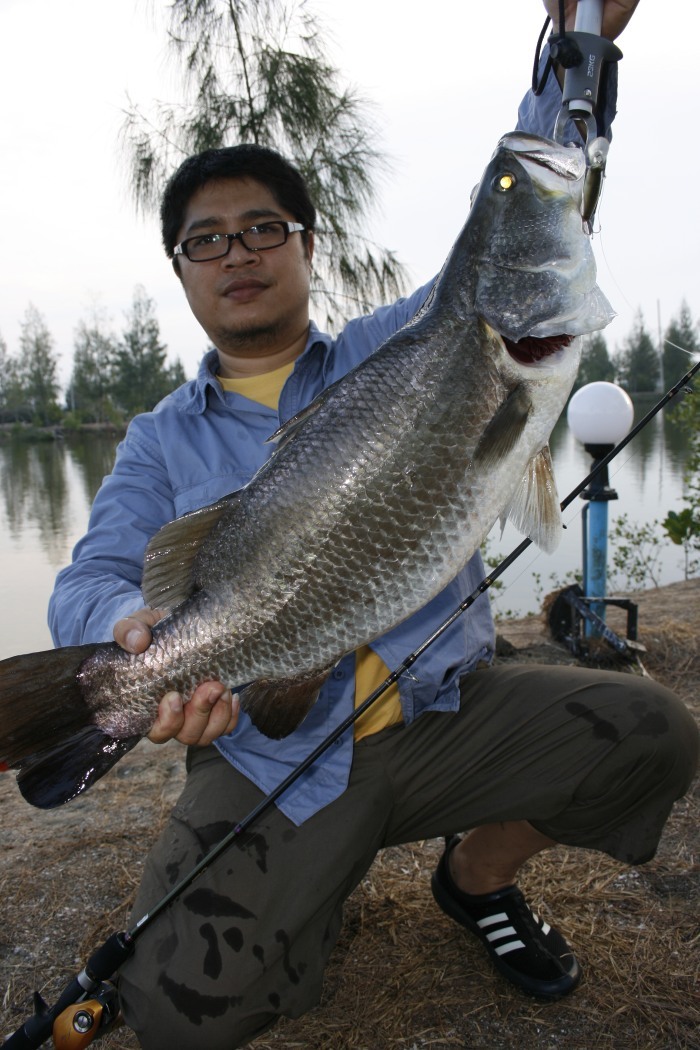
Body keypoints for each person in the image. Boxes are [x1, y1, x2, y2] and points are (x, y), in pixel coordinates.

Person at [48, 2, 697, 1047]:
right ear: (180, 270)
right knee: (179, 1019)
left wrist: (579, 44)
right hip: (270, 747)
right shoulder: (157, 441)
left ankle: (473, 878)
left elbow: (520, 215)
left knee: (651, 733)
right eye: (205, 239)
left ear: (307, 245)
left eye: (265, 227)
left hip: (448, 714)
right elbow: (92, 577)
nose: (238, 253)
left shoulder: (420, 342)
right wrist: (132, 635)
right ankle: (308, 876)